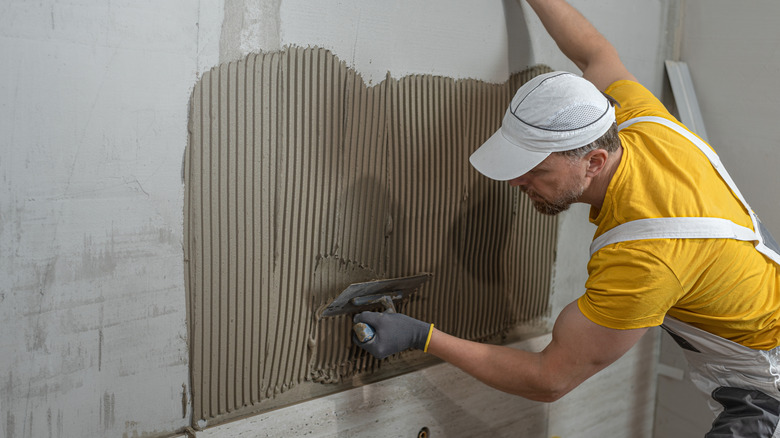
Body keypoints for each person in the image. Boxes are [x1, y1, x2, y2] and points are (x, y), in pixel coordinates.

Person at [354, 0, 780, 435]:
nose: (516, 182)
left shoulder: (644, 258)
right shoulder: (640, 120)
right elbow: (594, 53)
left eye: (536, 170)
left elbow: (549, 379)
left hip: (767, 387)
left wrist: (422, 337)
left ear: (594, 162)